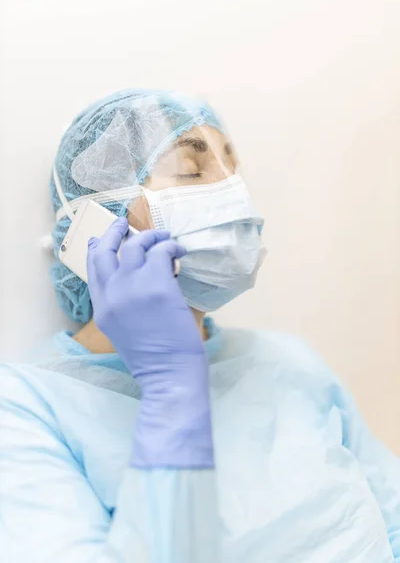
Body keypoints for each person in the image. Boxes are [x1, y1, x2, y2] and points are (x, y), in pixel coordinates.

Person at [0, 89, 399, 563]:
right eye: (192, 171)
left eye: (233, 171)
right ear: (96, 223)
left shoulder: (289, 362)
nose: (235, 195)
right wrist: (171, 390)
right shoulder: (24, 409)